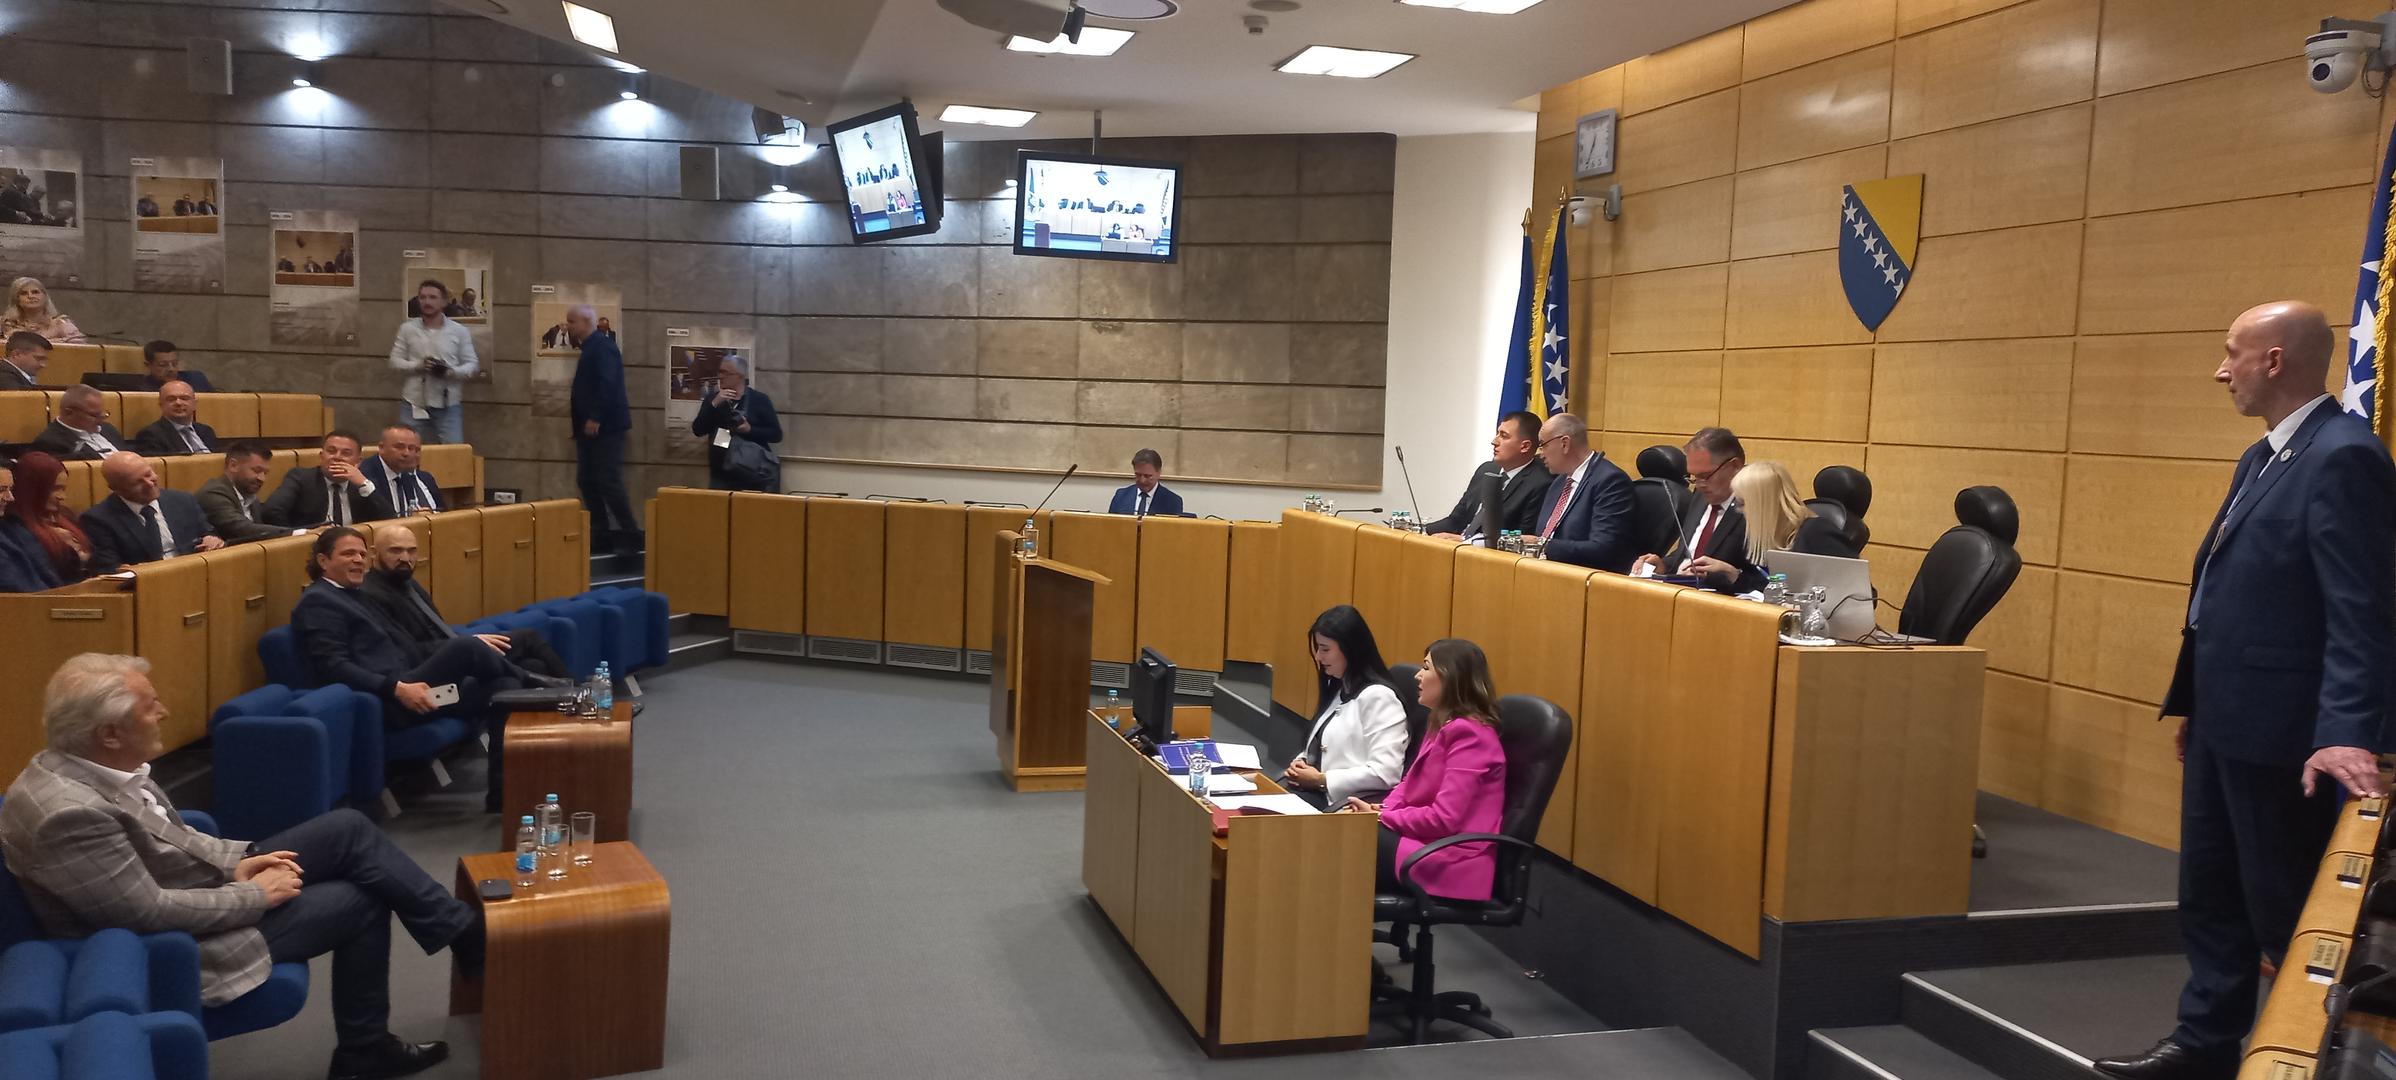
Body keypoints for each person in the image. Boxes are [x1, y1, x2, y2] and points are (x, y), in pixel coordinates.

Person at [2095, 301, 2396, 1080]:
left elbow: (2362, 609)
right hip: (2224, 720)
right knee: (2212, 895)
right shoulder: (2262, 457)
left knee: (2284, 908)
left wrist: (2346, 729)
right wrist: (2196, 698)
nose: (2220, 370)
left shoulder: (2344, 457)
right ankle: (2204, 1042)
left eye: (2232, 353)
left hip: (2285, 734)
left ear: (2274, 361)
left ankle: (2308, 1058)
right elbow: (2232, 592)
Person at [0, 653, 474, 1080]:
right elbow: (143, 913)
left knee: (347, 828)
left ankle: (461, 935)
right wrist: (254, 895)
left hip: (190, 889)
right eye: (150, 706)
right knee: (360, 900)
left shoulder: (89, 766)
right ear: (109, 733)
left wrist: (240, 863)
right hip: (161, 948)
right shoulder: (70, 814)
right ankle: (374, 1042)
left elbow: (179, 840)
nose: (163, 712)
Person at [290, 528, 525, 812]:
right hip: (391, 700)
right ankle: (541, 685)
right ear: (323, 560)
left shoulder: (355, 594)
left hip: (416, 686)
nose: (358, 560)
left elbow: (404, 645)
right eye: (348, 554)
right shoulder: (319, 601)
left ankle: (501, 796)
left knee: (503, 689)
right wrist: (396, 688)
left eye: (362, 554)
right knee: (466, 647)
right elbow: (334, 666)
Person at [1343, 638, 1508, 902]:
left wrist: (1382, 818)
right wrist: (1380, 810)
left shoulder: (1471, 735)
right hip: (1424, 841)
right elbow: (1408, 784)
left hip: (1453, 858)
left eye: (1426, 667)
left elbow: (1444, 819)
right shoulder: (1443, 723)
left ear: (1450, 677)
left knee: (1345, 839)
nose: (1418, 676)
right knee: (1342, 828)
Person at [357, 523, 571, 683]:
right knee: (528, 638)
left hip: (453, 646)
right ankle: (576, 692)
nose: (406, 558)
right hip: (433, 665)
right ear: (374, 553)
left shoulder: (407, 582)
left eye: (411, 551)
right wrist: (466, 644)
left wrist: (466, 640)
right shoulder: (371, 593)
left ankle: (569, 706)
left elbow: (438, 628)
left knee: (534, 665)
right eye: (395, 551)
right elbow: (409, 650)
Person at [1280, 605, 1408, 810]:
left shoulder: (1379, 698)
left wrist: (1322, 779)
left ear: (1350, 649)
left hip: (1343, 803)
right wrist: (1302, 761)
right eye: (1318, 649)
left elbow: (1386, 772)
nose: (1319, 657)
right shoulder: (1340, 687)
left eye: (1325, 649)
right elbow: (1325, 743)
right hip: (1316, 792)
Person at [1632, 427, 1757, 593]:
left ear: (1735, 466)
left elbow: (1768, 582)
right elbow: (1687, 554)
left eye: (1705, 476)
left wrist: (1734, 575)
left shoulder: (1756, 510)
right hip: (1677, 592)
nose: (1699, 485)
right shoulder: (1700, 495)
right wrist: (1663, 565)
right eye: (1694, 477)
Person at [567, 304, 640, 553]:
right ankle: (601, 533)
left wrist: (596, 417)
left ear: (587, 322)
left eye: (572, 321)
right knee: (587, 480)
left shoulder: (602, 346)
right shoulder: (590, 347)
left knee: (608, 480)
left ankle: (630, 533)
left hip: (605, 428)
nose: (568, 326)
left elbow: (608, 384)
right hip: (589, 430)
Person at [1528, 412, 1634, 572]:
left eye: (1543, 445)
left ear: (1564, 443)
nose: (1540, 454)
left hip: (1584, 576)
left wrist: (1541, 545)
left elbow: (1603, 548)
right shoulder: (1559, 482)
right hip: (1546, 571)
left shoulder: (1610, 481)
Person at [1426, 410, 1554, 542]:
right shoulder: (1486, 469)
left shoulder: (1541, 483)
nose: (1494, 441)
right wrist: (1420, 530)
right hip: (1457, 546)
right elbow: (1455, 520)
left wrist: (1466, 541)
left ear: (1525, 446)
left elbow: (1523, 538)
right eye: (1497, 434)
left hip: (1489, 552)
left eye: (1504, 436)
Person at [81, 453, 221, 572]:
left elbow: (208, 532)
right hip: (146, 586)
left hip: (193, 574)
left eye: (149, 474)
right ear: (115, 488)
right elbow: (109, 568)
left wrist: (211, 538)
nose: (149, 483)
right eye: (137, 482)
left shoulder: (183, 500)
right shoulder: (98, 519)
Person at [385, 279, 478, 445]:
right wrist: (418, 366)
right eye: (423, 297)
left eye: (433, 297)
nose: (427, 302)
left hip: (448, 405)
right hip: (413, 403)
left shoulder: (459, 331)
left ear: (444, 302)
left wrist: (451, 371)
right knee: (403, 451)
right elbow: (394, 362)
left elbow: (472, 365)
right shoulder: (407, 329)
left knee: (454, 453)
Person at [1732, 460, 1860, 580]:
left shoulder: (1817, 532)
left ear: (1763, 505)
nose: (1738, 510)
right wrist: (1733, 575)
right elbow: (1770, 584)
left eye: (1742, 503)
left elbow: (1857, 589)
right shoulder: (1774, 536)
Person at [690, 352, 782, 493]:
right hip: (721, 475)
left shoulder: (759, 400)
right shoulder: (713, 399)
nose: (720, 376)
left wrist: (750, 430)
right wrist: (714, 404)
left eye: (725, 372)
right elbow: (698, 429)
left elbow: (776, 434)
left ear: (740, 376)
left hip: (753, 474)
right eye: (720, 372)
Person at [261, 430, 390, 529]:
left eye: (346, 453)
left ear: (358, 461)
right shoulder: (301, 478)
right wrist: (299, 536)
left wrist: (364, 484)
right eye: (331, 451)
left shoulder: (362, 485)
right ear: (322, 456)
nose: (337, 457)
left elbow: (389, 520)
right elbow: (271, 511)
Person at [7, 452, 94, 583]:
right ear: (33, 489)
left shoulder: (66, 515)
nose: (62, 497)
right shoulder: (15, 528)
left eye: (63, 489)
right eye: (55, 489)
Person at [197, 442, 304, 545]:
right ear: (233, 465)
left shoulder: (251, 498)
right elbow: (241, 529)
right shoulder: (213, 494)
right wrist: (295, 533)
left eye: (265, 473)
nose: (262, 478)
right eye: (257, 471)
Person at [0, 461, 63, 592]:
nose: (10, 498)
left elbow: (47, 577)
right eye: (1, 490)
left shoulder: (13, 527)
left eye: (10, 490)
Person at [359, 424, 444, 517]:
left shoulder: (405, 472)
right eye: (399, 447)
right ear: (381, 447)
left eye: (411, 448)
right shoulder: (365, 475)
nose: (406, 453)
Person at [29, 384, 129, 460]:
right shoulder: (51, 442)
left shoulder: (108, 429)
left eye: (103, 414)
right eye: (93, 415)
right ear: (69, 413)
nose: (100, 420)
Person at [128, 380, 218, 456]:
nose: (178, 403)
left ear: (194, 404)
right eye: (171, 399)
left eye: (184, 398)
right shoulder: (150, 435)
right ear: (161, 405)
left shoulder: (206, 431)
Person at [1, 276, 83, 344]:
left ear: (45, 297)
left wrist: (45, 343)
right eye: (24, 293)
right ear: (16, 300)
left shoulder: (60, 323)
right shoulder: (3, 323)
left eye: (35, 292)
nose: (30, 296)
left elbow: (80, 345)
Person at [1107, 448, 1184, 517]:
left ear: (1159, 473)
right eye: (1138, 475)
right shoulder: (1121, 496)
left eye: (1147, 476)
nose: (1142, 480)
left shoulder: (1172, 501)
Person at [140, 340, 214, 393]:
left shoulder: (196, 379)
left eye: (174, 364)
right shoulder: (141, 390)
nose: (171, 369)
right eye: (163, 365)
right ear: (148, 365)